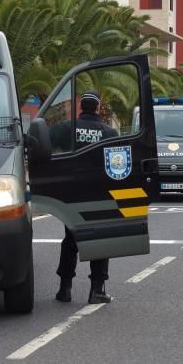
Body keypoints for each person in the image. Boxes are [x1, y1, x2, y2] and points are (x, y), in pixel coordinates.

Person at [52, 91, 118, 304]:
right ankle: (96, 290)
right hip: (99, 195)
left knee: (71, 240)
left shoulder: (65, 129)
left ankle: (65, 289)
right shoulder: (109, 133)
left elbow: (44, 145)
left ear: (82, 107)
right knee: (99, 240)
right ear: (98, 108)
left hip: (70, 195)